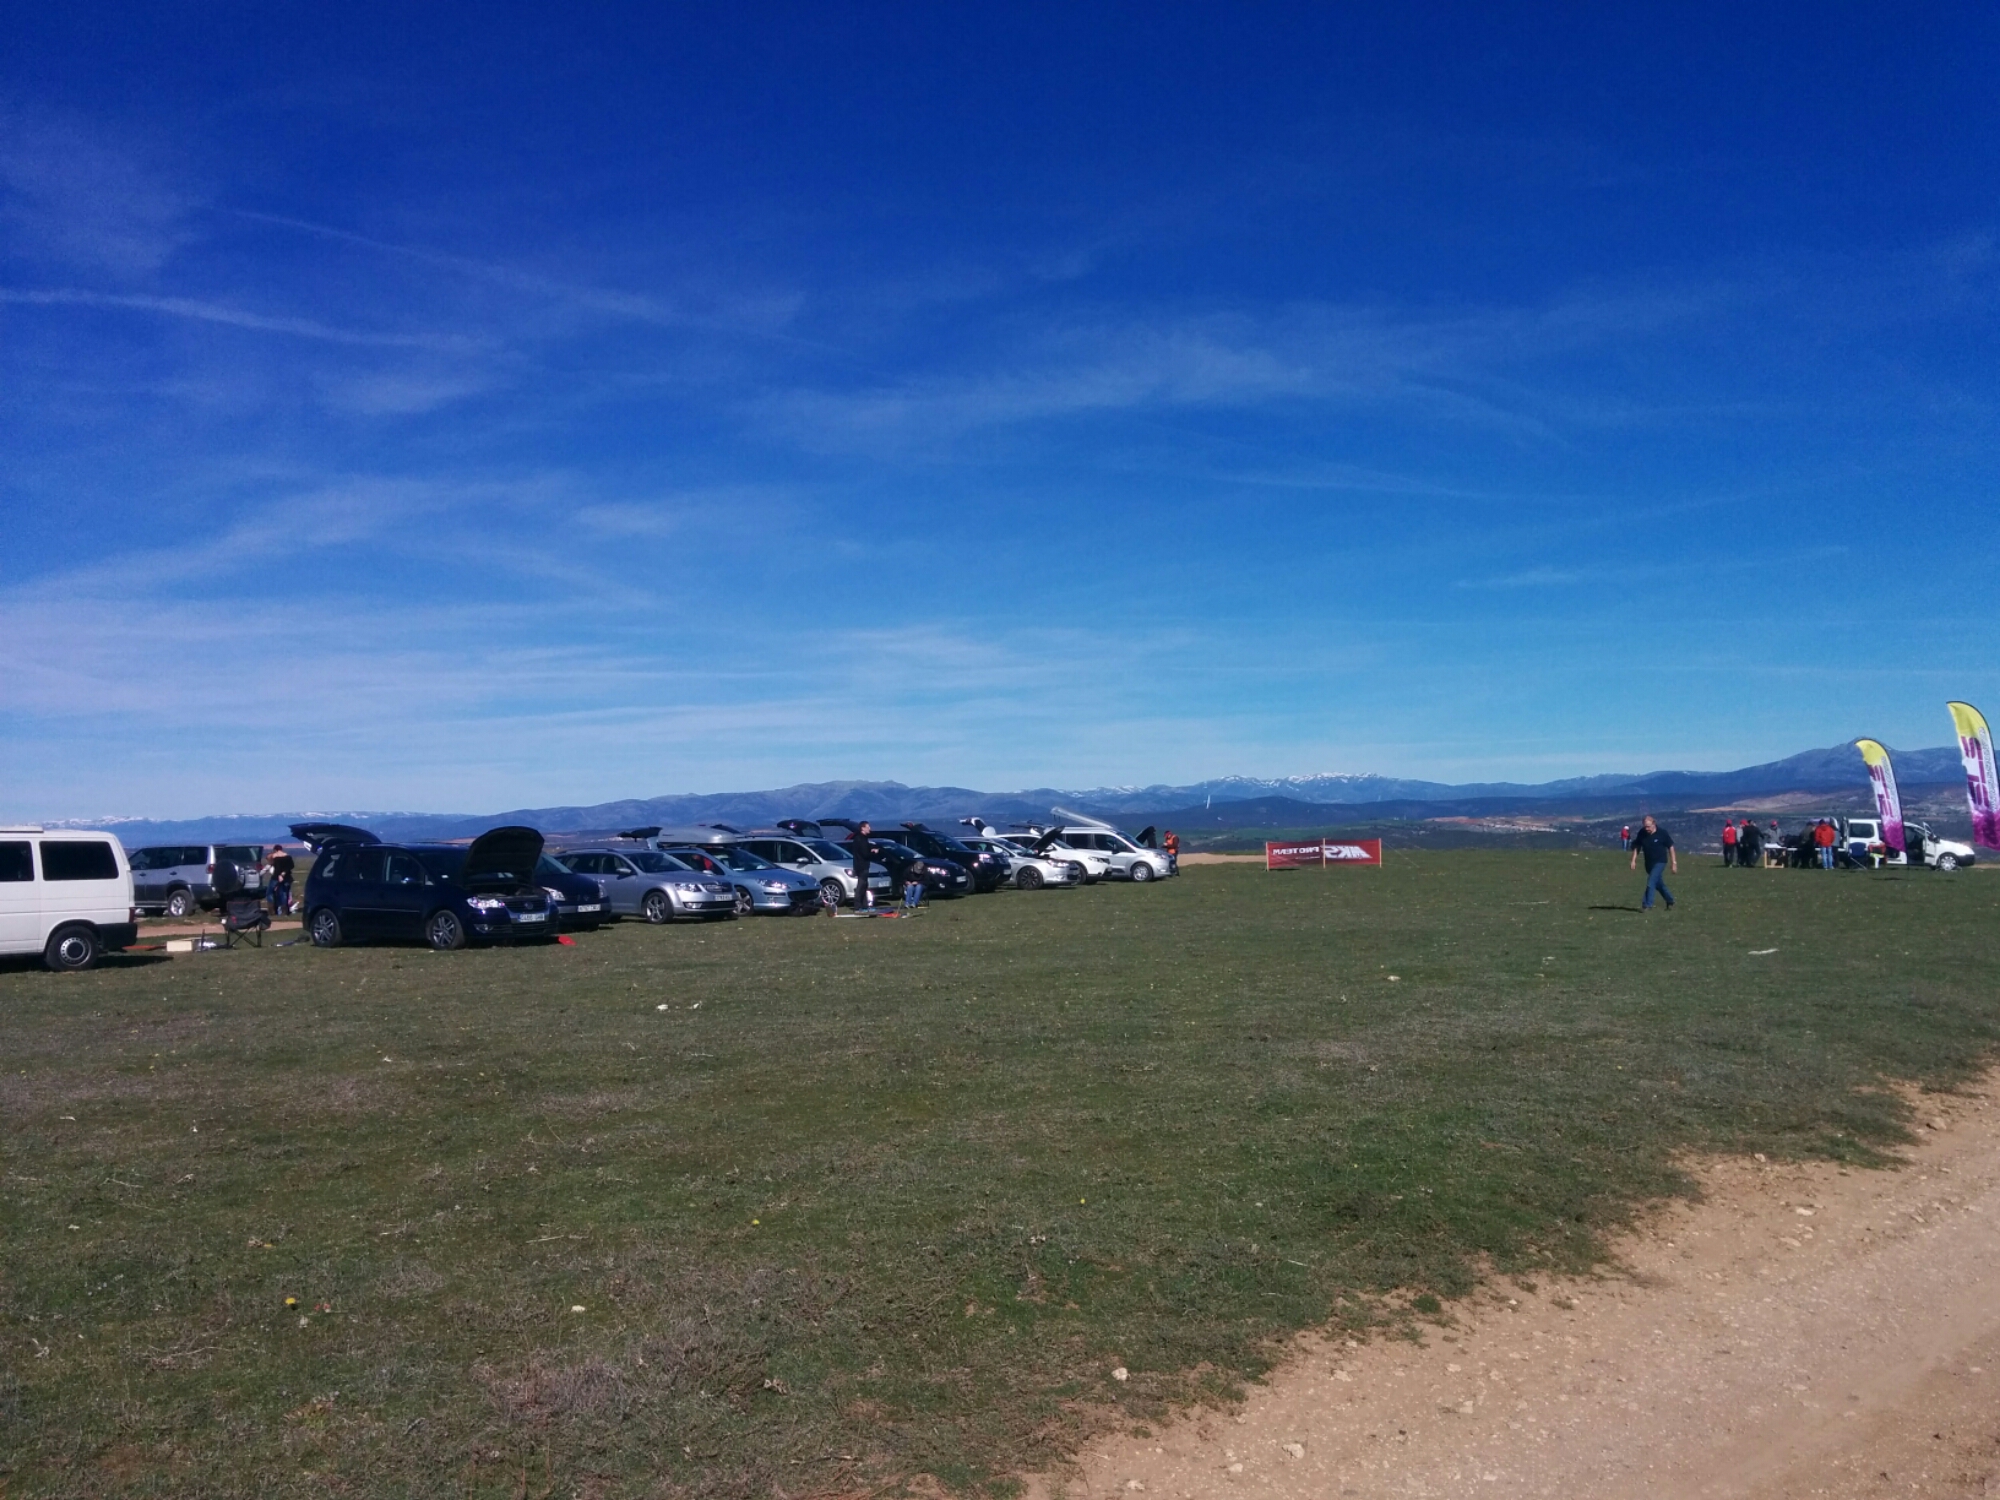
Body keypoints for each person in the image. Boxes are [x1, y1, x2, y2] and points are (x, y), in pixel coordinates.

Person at [1628, 815, 1677, 910]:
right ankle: (1670, 900)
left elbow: (1671, 847)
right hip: (1649, 863)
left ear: (1654, 824)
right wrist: (1633, 860)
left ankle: (1647, 904)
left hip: (1660, 862)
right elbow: (1637, 846)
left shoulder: (1662, 833)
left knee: (1651, 881)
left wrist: (1674, 863)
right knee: (1658, 883)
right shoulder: (1642, 833)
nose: (1646, 829)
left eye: (1648, 826)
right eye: (1645, 826)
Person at [264, 843, 295, 914]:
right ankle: (285, 910)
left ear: (275, 850)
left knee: (269, 892)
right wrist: (284, 872)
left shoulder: (275, 857)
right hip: (287, 877)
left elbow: (277, 868)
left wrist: (279, 875)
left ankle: (272, 910)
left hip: (276, 877)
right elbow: (291, 866)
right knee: (284, 893)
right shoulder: (288, 856)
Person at [851, 821, 874, 908]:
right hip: (862, 866)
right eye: (868, 827)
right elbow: (865, 854)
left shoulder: (860, 838)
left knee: (864, 885)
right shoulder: (861, 839)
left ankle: (864, 905)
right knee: (861, 885)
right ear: (862, 828)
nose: (870, 829)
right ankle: (857, 905)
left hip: (859, 865)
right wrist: (873, 852)